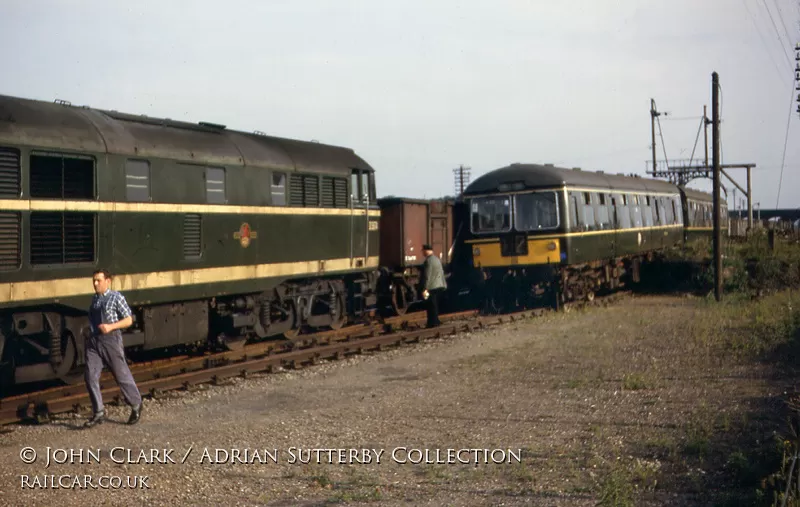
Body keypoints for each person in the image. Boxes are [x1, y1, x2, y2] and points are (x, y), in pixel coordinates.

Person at [83, 269, 143, 427]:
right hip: (94, 341)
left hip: (110, 339)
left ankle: (136, 404)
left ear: (108, 281)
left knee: (121, 374)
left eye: (99, 280)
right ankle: (98, 412)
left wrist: (111, 327)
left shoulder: (116, 297)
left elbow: (129, 320)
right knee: (90, 375)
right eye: (94, 280)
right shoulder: (94, 299)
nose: (95, 283)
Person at [419, 244, 447, 328]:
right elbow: (441, 272)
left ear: (426, 250)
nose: (422, 252)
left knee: (430, 305)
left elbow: (427, 275)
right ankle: (435, 321)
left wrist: (425, 288)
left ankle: (432, 322)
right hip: (438, 285)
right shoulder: (436, 259)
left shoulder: (428, 261)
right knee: (434, 304)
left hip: (431, 286)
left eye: (423, 250)